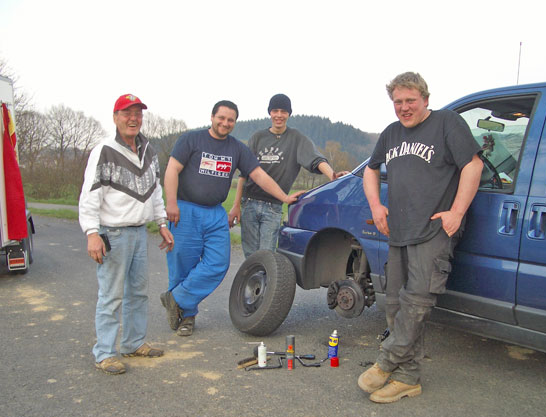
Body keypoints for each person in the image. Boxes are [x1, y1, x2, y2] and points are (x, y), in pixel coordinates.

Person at [358, 72, 483, 403]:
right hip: (398, 230)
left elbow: (473, 165)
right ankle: (408, 377)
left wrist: (456, 212)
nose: (404, 107)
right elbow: (371, 169)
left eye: (410, 100)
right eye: (397, 102)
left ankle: (386, 362)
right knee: (396, 302)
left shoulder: (446, 124)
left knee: (417, 302)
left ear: (425, 99)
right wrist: (377, 205)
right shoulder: (391, 133)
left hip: (433, 229)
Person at [161, 100, 303, 336]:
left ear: (235, 123)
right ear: (212, 117)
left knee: (218, 263)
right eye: (222, 118)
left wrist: (284, 197)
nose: (225, 123)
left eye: (230, 120)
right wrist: (172, 202)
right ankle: (187, 316)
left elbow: (258, 175)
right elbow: (172, 169)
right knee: (182, 266)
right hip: (186, 210)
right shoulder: (191, 140)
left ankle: (175, 298)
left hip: (215, 213)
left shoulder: (236, 149)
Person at [79, 94, 174, 375]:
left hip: (139, 232)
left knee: (138, 293)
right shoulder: (104, 150)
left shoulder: (149, 151)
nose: (133, 118)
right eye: (126, 113)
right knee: (111, 296)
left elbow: (155, 192)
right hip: (114, 233)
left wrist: (163, 223)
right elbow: (90, 196)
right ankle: (105, 353)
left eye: (137, 113)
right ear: (115, 116)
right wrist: (92, 233)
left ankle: (133, 343)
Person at [228, 93, 347, 257]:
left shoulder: (296, 139)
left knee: (266, 256)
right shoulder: (257, 138)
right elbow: (243, 174)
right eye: (275, 110)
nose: (279, 115)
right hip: (249, 203)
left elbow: (315, 159)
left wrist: (332, 175)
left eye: (283, 111)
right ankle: (252, 283)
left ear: (289, 114)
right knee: (250, 256)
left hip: (273, 207)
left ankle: (266, 284)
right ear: (269, 112)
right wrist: (236, 205)